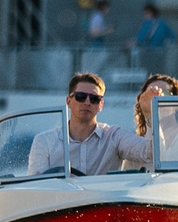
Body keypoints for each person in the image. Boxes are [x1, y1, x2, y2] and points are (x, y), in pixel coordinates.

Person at [23, 73, 161, 176]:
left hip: (103, 209)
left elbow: (151, 153)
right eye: (80, 97)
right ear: (69, 101)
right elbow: (36, 187)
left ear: (101, 105)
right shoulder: (44, 141)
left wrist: (150, 114)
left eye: (94, 99)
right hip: (60, 208)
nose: (87, 102)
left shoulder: (114, 136)